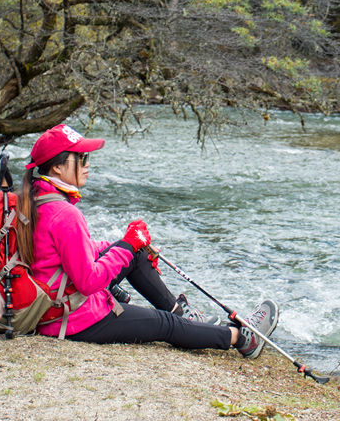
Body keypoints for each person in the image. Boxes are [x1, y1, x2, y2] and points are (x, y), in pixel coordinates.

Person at [14, 124, 278, 357]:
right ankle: (242, 338)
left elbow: (68, 252)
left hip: (54, 304)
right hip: (73, 318)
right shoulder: (65, 213)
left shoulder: (35, 199)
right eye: (81, 158)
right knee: (164, 325)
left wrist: (127, 246)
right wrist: (127, 245)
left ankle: (182, 313)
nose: (88, 164)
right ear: (58, 166)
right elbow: (88, 281)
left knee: (136, 254)